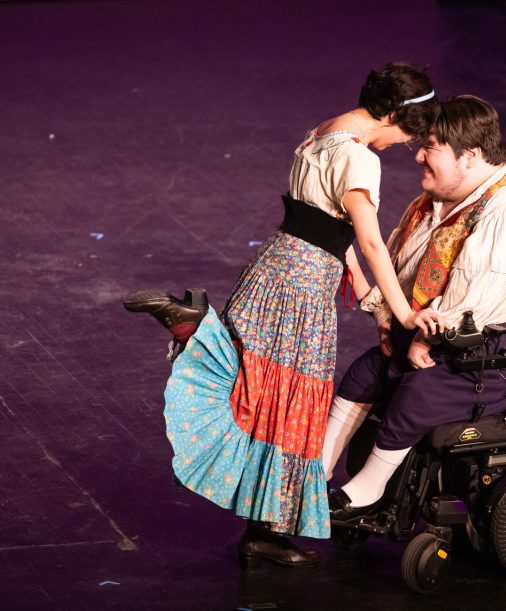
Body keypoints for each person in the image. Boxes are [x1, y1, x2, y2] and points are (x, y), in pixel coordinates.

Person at [124, 62, 440, 568]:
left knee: (260, 387)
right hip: (303, 288)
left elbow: (329, 229)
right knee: (292, 406)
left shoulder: (321, 133)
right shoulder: (360, 159)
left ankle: (198, 326)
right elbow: (370, 243)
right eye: (407, 135)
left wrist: (368, 299)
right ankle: (267, 530)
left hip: (273, 266)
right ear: (393, 115)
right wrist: (403, 315)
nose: (403, 145)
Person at [321, 95, 506, 520]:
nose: (418, 156)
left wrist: (426, 338)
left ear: (469, 156)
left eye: (430, 147)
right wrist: (387, 314)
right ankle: (312, 472)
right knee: (367, 372)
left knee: (421, 391)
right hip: (454, 333)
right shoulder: (438, 199)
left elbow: (477, 297)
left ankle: (369, 490)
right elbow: (402, 271)